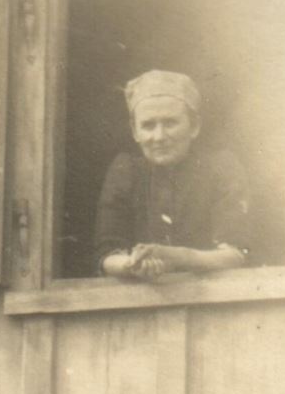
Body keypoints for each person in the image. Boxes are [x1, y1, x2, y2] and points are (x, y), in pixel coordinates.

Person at [95, 69, 250, 280]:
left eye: (170, 123)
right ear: (135, 131)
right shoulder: (125, 170)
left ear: (194, 126)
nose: (159, 136)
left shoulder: (221, 167)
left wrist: (176, 257)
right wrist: (133, 264)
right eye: (148, 125)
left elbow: (235, 255)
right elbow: (107, 255)